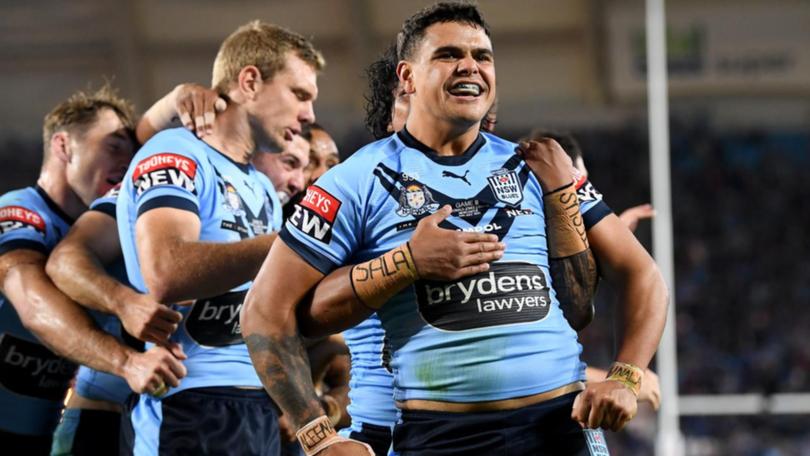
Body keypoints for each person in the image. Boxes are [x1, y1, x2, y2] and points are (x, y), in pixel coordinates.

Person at [244, 2, 668, 454]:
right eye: (448, 55)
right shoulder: (353, 181)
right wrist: (318, 437)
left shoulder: (538, 167)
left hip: (560, 428)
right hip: (440, 436)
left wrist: (625, 375)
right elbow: (265, 312)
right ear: (407, 77)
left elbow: (642, 274)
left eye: (482, 56)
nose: (470, 66)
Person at [115, 21, 323, 455]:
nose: (310, 116)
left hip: (258, 405)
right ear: (250, 81)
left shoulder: (262, 186)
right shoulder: (175, 152)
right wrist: (294, 242)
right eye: (299, 94)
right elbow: (166, 271)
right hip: (188, 402)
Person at [0, 86, 186, 454]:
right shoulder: (18, 212)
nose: (125, 163)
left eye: (130, 153)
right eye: (113, 146)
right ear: (63, 146)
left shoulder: (110, 235)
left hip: (43, 434)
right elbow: (33, 304)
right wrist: (127, 362)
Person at [46, 83, 225, 456]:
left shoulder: (239, 192)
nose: (124, 162)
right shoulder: (151, 186)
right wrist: (125, 305)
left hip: (151, 411)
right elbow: (62, 263)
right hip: (101, 417)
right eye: (112, 148)